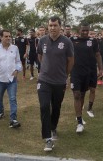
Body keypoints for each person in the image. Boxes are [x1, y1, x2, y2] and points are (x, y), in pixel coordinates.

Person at [37, 16, 74, 151]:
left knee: (56, 107)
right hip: (44, 80)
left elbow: (70, 61)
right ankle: (48, 139)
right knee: (44, 106)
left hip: (59, 81)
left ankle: (53, 127)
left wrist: (65, 75)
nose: (52, 28)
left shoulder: (67, 42)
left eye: (55, 25)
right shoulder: (42, 40)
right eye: (50, 25)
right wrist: (45, 69)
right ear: (48, 27)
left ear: (60, 26)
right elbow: (40, 57)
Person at [70, 23, 103, 133]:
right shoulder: (72, 40)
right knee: (77, 94)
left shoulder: (93, 41)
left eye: (86, 30)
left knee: (86, 92)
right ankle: (79, 122)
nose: (85, 32)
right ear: (79, 30)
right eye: (83, 30)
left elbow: (98, 54)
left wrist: (101, 68)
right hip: (76, 71)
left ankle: (84, 111)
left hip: (90, 71)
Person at [0, 29, 22, 128]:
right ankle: (0, 111)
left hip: (12, 79)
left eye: (9, 36)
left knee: (12, 98)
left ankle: (13, 119)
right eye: (6, 36)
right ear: (1, 37)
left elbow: (18, 61)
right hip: (0, 79)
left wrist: (17, 69)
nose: (8, 38)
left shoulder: (15, 48)